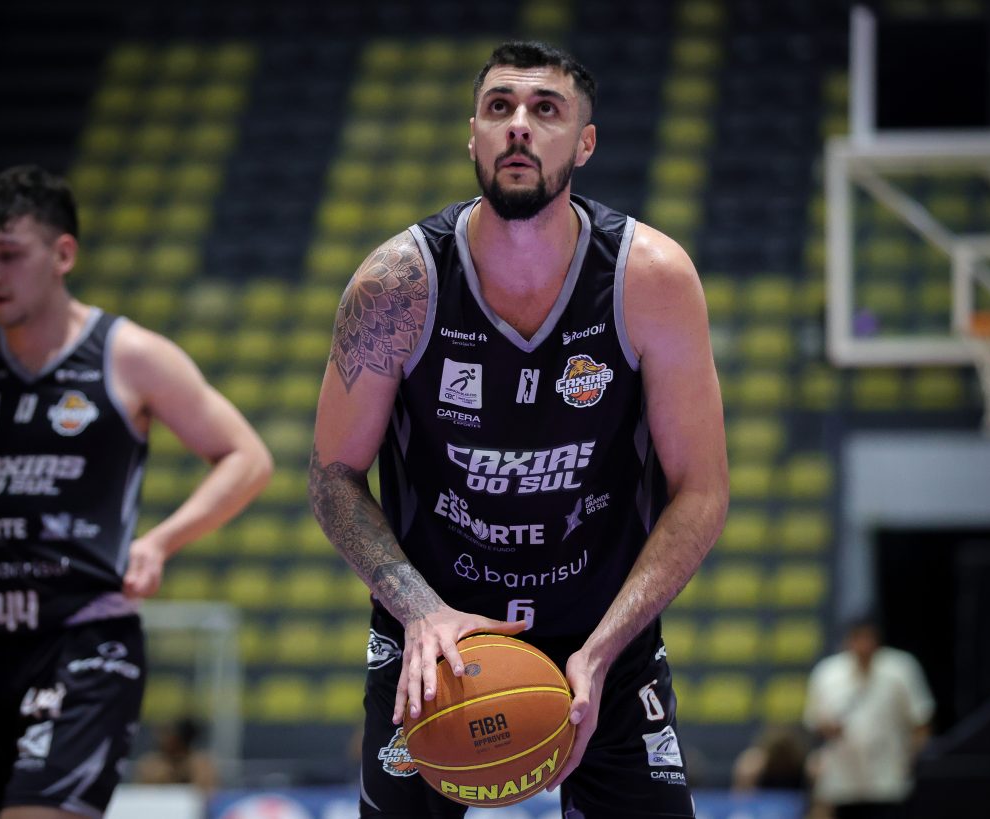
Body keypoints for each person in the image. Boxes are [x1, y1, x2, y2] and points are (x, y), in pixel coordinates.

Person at [309, 41, 728, 817]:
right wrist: (419, 610)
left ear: (585, 142)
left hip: (603, 633)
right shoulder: (396, 284)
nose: (519, 126)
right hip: (436, 639)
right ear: (472, 136)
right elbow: (332, 476)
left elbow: (701, 490)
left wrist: (603, 648)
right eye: (499, 107)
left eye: (546, 109)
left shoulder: (652, 279)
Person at [0, 165, 273, 818]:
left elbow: (247, 458)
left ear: (63, 254)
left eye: (8, 255)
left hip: (82, 639)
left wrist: (160, 542)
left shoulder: (128, 355)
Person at [803, 616, 935, 819]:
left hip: (889, 779)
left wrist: (912, 760)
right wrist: (827, 729)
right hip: (843, 780)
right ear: (847, 641)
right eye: (858, 638)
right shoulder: (828, 673)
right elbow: (814, 722)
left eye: (868, 638)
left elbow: (922, 720)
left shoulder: (901, 668)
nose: (864, 645)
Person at [132, 717, 218, 792]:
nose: (161, 739)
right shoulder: (152, 764)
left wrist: (185, 774)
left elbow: (210, 792)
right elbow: (140, 794)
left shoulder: (201, 763)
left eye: (167, 733)